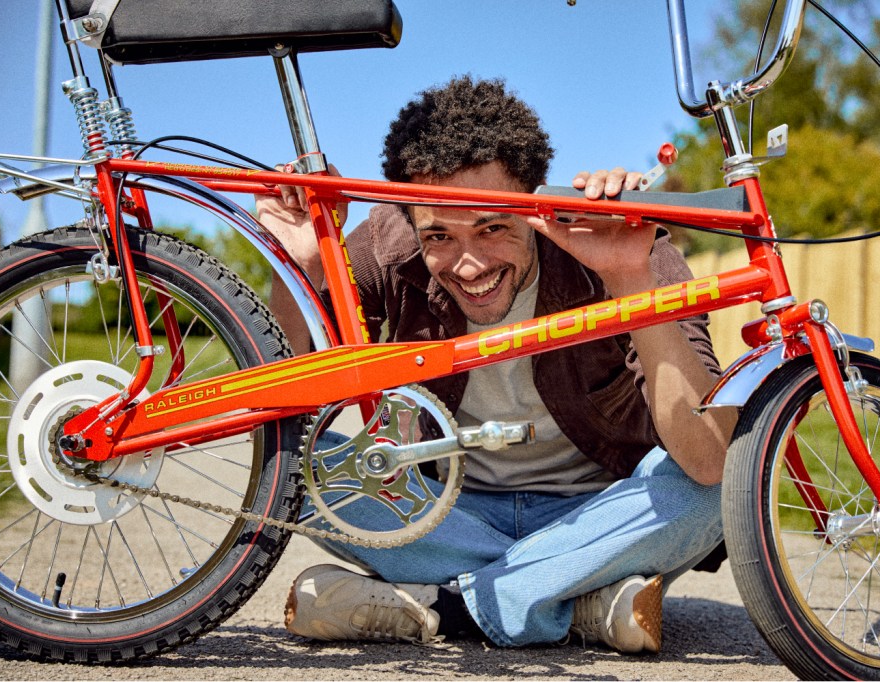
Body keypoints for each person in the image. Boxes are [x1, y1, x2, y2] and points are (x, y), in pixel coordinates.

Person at [255, 76, 735, 653]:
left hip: (599, 513)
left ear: (532, 204)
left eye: (493, 227)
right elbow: (281, 389)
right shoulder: (386, 242)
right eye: (438, 234)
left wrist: (628, 276)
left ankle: (445, 607)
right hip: (445, 516)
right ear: (409, 218)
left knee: (726, 485)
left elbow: (709, 458)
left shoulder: (619, 242)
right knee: (282, 462)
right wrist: (303, 265)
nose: (468, 264)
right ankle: (572, 595)